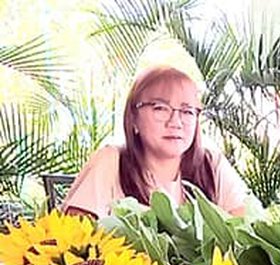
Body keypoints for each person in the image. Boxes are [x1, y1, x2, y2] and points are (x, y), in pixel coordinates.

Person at [62, 65, 252, 219]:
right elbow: (75, 240)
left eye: (187, 111)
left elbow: (245, 232)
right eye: (160, 108)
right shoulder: (111, 160)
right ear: (133, 118)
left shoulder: (211, 164)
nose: (175, 122)